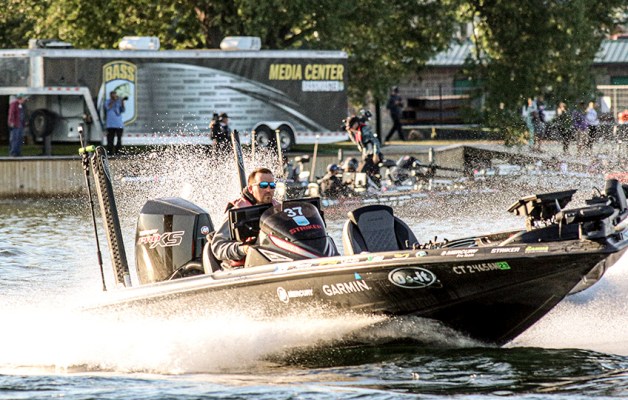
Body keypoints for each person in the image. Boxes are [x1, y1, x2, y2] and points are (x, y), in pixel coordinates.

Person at [211, 167, 279, 268]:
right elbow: (218, 247)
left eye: (272, 186)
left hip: (273, 263)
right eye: (263, 185)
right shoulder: (237, 211)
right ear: (251, 189)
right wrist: (243, 249)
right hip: (241, 269)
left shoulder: (278, 209)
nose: (268, 190)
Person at [345, 115, 383, 184]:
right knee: (362, 172)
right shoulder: (358, 131)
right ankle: (371, 187)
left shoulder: (364, 129)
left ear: (356, 123)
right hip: (367, 156)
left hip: (373, 155)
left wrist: (376, 154)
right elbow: (356, 142)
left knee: (365, 172)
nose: (351, 128)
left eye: (351, 126)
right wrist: (350, 132)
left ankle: (377, 187)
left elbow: (375, 141)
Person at [105, 91, 126, 155]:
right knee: (110, 139)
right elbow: (107, 107)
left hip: (119, 124)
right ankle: (110, 152)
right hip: (110, 124)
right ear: (111, 95)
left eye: (115, 95)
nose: (115, 96)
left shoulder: (118, 102)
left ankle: (118, 151)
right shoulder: (107, 101)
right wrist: (113, 101)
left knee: (119, 139)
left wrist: (122, 102)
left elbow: (123, 110)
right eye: (113, 95)